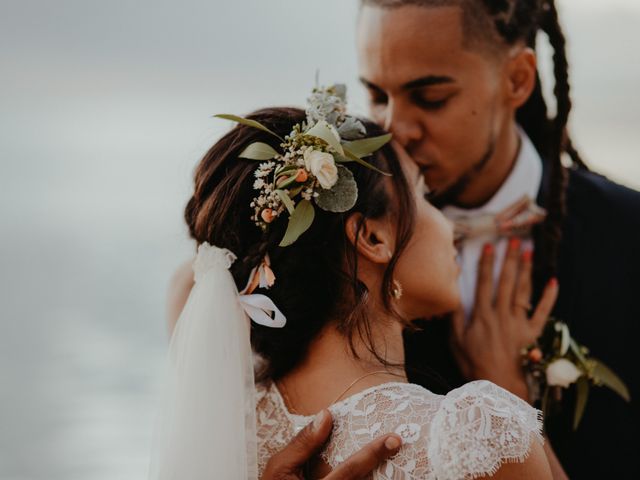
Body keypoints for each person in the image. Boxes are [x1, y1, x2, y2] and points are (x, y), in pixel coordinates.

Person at [154, 86, 566, 479]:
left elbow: (191, 281)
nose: (453, 227)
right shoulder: (477, 437)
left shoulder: (225, 411)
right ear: (372, 237)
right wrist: (511, 388)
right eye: (424, 196)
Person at [356, 1, 640, 478]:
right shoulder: (352, 245)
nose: (395, 130)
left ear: (516, 80)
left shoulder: (629, 234)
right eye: (378, 96)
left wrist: (507, 393)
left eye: (430, 98)